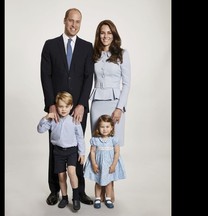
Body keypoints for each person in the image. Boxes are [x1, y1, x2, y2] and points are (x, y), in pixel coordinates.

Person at [40, 8, 94, 206]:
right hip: (57, 109)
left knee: (77, 149)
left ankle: (79, 192)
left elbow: (89, 77)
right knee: (55, 149)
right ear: (64, 21)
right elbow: (45, 76)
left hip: (78, 109)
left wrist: (81, 104)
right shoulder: (50, 45)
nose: (74, 25)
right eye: (71, 21)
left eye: (78, 21)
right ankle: (55, 190)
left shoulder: (87, 47)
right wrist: (51, 105)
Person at [89, 19, 131, 202]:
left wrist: (119, 108)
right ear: (98, 35)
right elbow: (89, 80)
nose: (105, 36)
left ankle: (110, 188)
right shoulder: (94, 55)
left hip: (115, 104)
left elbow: (127, 83)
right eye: (102, 33)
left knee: (112, 146)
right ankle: (99, 190)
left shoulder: (122, 54)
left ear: (114, 35)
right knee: (99, 147)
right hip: (97, 103)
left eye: (109, 33)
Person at [37, 91, 85, 210]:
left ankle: (76, 197)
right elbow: (40, 130)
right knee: (61, 176)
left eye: (66, 106)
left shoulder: (74, 120)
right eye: (61, 106)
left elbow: (80, 138)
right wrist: (46, 117)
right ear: (56, 107)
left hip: (72, 151)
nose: (63, 109)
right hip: (58, 152)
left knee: (72, 172)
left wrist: (82, 153)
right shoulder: (53, 120)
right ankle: (64, 197)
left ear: (71, 106)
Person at [84, 114, 126, 209]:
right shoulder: (95, 140)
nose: (105, 129)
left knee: (109, 183)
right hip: (99, 165)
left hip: (109, 165)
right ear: (98, 128)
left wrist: (114, 165)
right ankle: (98, 198)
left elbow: (117, 153)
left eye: (107, 127)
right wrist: (94, 164)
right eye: (102, 127)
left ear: (111, 128)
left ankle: (108, 198)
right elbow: (92, 152)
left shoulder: (114, 140)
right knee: (98, 182)